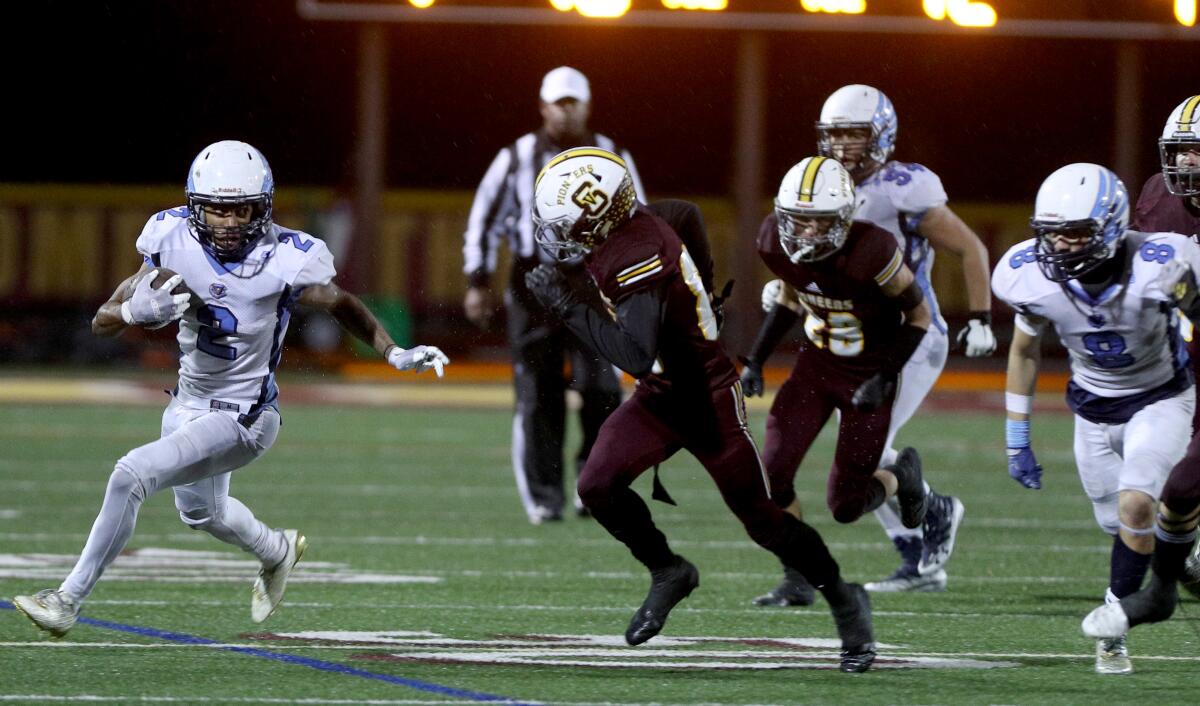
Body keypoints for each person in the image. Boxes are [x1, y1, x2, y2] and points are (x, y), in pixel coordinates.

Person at [11, 140, 449, 637]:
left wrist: (393, 351)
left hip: (245, 416)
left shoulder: (287, 256)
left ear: (261, 207)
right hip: (187, 402)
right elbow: (101, 321)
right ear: (196, 207)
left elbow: (339, 300)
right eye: (216, 209)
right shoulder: (168, 236)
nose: (228, 221)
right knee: (202, 513)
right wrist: (134, 311)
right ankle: (277, 551)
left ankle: (67, 599)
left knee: (130, 474)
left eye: (240, 209)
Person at [523, 147, 877, 673]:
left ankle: (845, 598)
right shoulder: (639, 219)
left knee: (764, 522)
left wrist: (566, 305)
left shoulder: (634, 251)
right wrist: (705, 289)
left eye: (567, 225)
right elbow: (685, 212)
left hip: (705, 395)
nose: (557, 237)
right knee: (597, 484)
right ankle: (669, 570)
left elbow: (637, 355)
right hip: (662, 396)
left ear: (599, 218)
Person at [752, 85, 989, 600]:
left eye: (854, 135)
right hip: (839, 339)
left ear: (881, 135)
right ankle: (913, 544)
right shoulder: (815, 186)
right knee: (843, 456)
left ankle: (930, 518)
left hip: (905, 334)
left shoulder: (906, 188)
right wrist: (793, 292)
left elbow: (969, 247)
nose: (843, 146)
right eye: (834, 135)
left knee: (869, 453)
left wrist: (980, 316)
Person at [993, 162, 1197, 674]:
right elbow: (1023, 350)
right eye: (1053, 235)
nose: (1062, 246)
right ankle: (1180, 553)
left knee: (1136, 505)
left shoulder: (1164, 259)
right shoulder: (1027, 275)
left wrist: (1193, 299)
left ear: (1110, 228)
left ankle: (1118, 624)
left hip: (1161, 398)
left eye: (1077, 233)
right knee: (1120, 525)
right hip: (1092, 409)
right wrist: (1017, 437)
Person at [740, 156, 944, 609]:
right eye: (799, 221)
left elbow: (919, 316)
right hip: (816, 366)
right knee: (771, 475)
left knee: (846, 505)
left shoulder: (874, 249)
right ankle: (796, 576)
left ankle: (902, 475)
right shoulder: (773, 237)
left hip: (868, 371)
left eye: (820, 222)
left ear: (844, 217)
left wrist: (883, 376)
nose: (807, 232)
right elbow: (792, 297)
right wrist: (755, 359)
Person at [462, 66, 643, 525]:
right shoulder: (517, 156)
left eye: (572, 103)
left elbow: (638, 221)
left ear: (586, 106)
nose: (565, 111)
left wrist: (636, 283)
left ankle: (594, 482)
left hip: (593, 280)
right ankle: (545, 495)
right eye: (557, 103)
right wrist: (477, 280)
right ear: (543, 106)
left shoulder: (612, 153)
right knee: (538, 391)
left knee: (602, 385)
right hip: (533, 280)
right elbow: (485, 216)